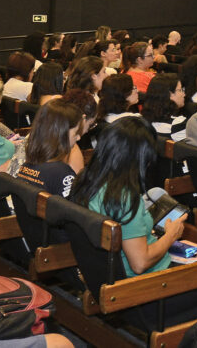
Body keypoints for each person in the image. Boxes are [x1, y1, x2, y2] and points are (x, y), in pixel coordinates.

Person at [71, 117, 186, 277]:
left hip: (104, 273)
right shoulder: (124, 198)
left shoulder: (85, 180)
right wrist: (171, 235)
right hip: (144, 282)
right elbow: (140, 263)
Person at [17, 99, 85, 197]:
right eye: (76, 132)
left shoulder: (26, 166)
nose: (78, 138)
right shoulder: (63, 174)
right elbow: (74, 206)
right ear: (61, 133)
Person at [142, 73, 188, 141]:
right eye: (180, 90)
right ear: (170, 94)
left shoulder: (140, 121)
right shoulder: (177, 124)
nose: (184, 94)